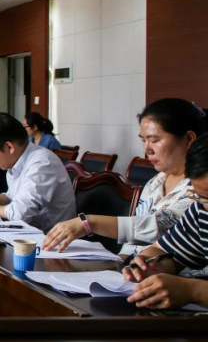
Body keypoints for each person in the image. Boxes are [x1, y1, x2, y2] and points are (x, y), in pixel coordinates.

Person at [43, 99, 205, 253]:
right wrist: (121, 261)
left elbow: (157, 227)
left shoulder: (201, 186)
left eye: (155, 140)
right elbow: (133, 240)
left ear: (188, 139)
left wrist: (88, 222)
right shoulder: (156, 181)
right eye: (143, 141)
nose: (147, 150)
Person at [124, 134, 208, 310]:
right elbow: (166, 251)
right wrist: (148, 264)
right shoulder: (201, 209)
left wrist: (193, 290)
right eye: (202, 197)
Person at [0, 112, 76, 231]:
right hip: (27, 232)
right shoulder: (17, 161)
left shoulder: (42, 164)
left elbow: (20, 213)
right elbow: (11, 198)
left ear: (9, 147)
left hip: (48, 236)